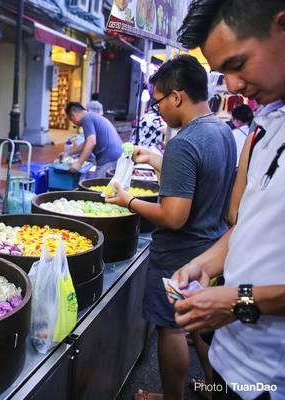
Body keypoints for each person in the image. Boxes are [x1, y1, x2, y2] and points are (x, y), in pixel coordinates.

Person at [170, 1, 285, 399]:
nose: (233, 87)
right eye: (223, 73)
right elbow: (246, 223)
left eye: (238, 64)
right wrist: (204, 264)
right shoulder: (268, 124)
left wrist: (238, 302)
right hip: (230, 358)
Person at [106, 55, 237, 400]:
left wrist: (128, 202)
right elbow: (201, 185)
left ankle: (171, 397)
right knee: (200, 328)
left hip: (178, 255)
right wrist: (158, 160)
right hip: (211, 246)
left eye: (159, 100)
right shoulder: (221, 130)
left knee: (171, 328)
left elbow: (174, 215)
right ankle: (212, 390)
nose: (158, 108)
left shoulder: (184, 141)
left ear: (176, 96)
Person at [65, 102, 123, 177]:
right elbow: (86, 142)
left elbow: (91, 142)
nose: (73, 123)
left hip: (109, 159)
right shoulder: (92, 116)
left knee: (100, 187)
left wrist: (79, 163)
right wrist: (69, 153)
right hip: (117, 156)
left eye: (71, 120)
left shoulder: (86, 118)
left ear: (73, 115)